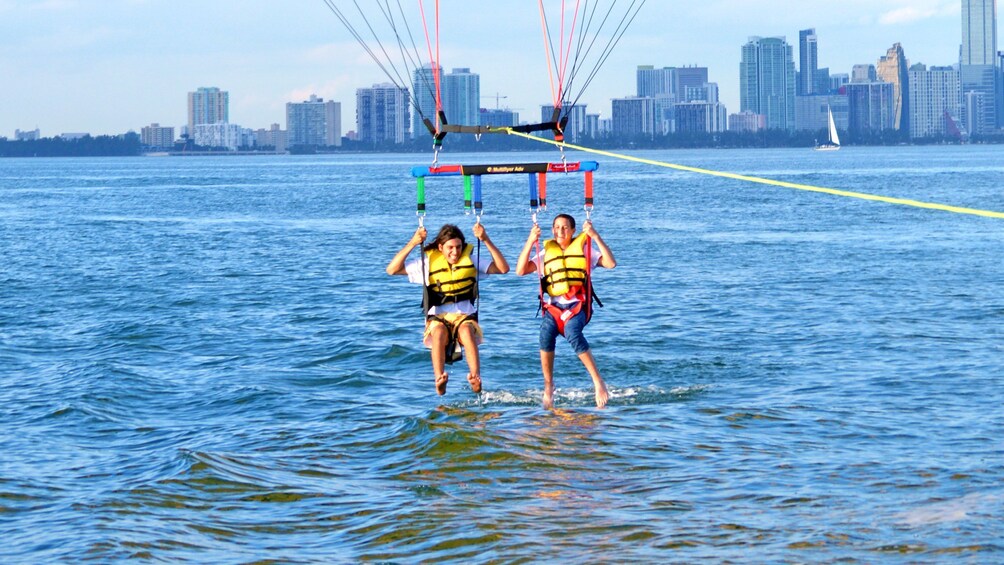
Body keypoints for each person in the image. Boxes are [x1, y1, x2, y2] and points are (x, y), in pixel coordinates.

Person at [386, 222, 510, 396]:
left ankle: (475, 378)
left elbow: (504, 268)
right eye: (450, 247)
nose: (455, 252)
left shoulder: (471, 261)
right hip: (438, 317)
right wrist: (413, 242)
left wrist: (486, 239)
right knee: (439, 334)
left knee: (466, 331)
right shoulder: (428, 263)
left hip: (464, 316)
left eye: (459, 247)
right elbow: (392, 269)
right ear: (440, 247)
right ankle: (439, 379)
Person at [515, 214, 616, 409]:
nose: (561, 231)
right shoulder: (546, 253)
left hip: (578, 306)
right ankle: (548, 385)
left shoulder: (585, 250)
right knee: (545, 335)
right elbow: (520, 270)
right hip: (554, 308)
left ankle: (598, 382)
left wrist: (595, 236)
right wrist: (530, 240)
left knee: (572, 333)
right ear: (552, 230)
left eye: (565, 227)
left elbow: (611, 263)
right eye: (557, 227)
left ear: (572, 231)